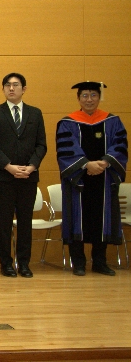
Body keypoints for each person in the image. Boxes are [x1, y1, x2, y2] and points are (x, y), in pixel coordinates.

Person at [56, 81, 127, 276]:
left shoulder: (113, 121)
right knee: (77, 218)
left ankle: (99, 262)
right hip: (78, 180)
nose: (89, 99)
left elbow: (120, 145)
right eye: (85, 96)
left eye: (93, 95)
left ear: (99, 97)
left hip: (105, 178)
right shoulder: (68, 123)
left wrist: (105, 162)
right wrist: (86, 165)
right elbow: (66, 150)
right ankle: (78, 262)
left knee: (102, 218)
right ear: (78, 98)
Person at [0, 73, 47, 278]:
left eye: (15, 85)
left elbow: (41, 144)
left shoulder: (35, 113)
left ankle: (24, 263)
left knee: (25, 221)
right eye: (7, 85)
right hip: (4, 176)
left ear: (24, 89)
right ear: (3, 89)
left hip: (29, 176)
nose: (11, 88)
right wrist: (8, 166)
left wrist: (32, 166)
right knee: (5, 221)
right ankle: (6, 263)